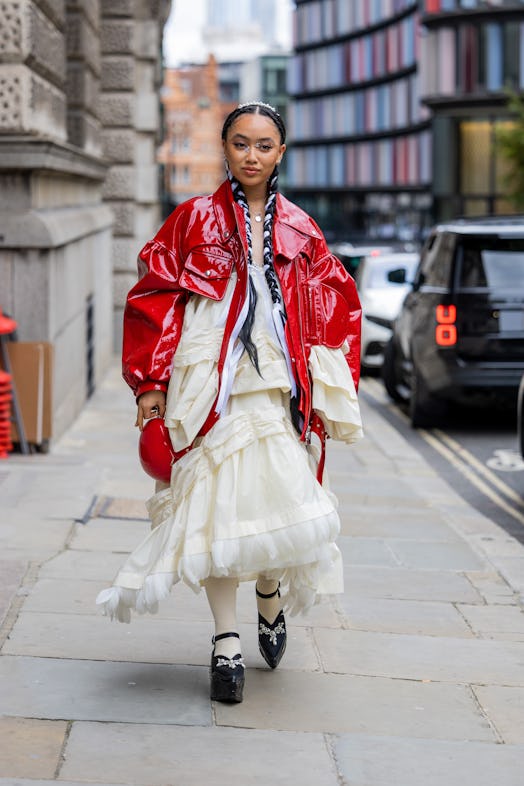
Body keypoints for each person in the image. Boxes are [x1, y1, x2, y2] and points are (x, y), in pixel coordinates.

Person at [96, 102, 363, 704]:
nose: (251, 155)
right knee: (213, 509)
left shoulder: (302, 229)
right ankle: (226, 643)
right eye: (240, 143)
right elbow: (153, 297)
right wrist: (150, 382)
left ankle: (269, 592)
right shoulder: (191, 220)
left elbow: (336, 309)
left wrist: (327, 393)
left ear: (281, 153)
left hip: (277, 383)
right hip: (206, 383)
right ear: (225, 148)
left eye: (263, 145)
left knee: (274, 500)